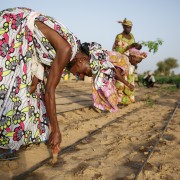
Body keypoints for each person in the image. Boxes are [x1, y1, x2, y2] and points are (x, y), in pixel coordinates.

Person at [0, 7, 85, 161]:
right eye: (84, 72)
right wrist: (56, 131)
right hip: (14, 26)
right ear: (82, 60)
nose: (79, 76)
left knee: (32, 89)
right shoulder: (67, 50)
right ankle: (3, 145)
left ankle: (18, 136)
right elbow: (50, 90)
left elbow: (41, 56)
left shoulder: (69, 48)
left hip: (27, 39)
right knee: (11, 87)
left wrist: (35, 80)